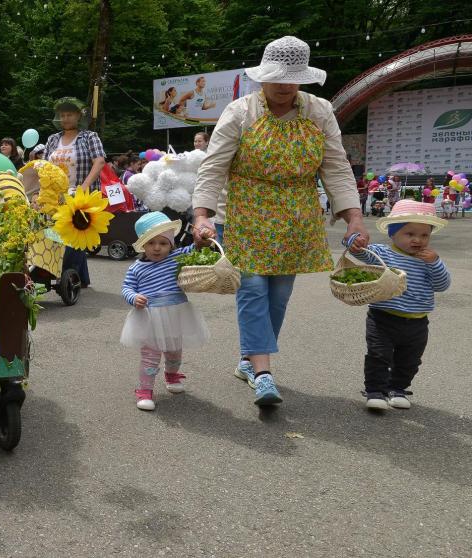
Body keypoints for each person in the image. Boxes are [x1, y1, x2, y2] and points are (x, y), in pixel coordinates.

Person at [192, 36, 367, 406]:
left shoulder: (319, 111)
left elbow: (335, 166)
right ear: (262, 77)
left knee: (280, 295)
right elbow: (214, 166)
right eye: (278, 78)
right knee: (252, 289)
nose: (286, 85)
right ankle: (264, 373)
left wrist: (354, 217)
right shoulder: (240, 111)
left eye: (293, 78)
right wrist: (202, 214)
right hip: (244, 212)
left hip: (296, 216)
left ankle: (248, 359)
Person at [345, 201, 449, 411]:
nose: (417, 240)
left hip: (417, 321)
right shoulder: (384, 253)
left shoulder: (428, 259)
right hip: (383, 316)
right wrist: (354, 242)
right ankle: (375, 391)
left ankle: (398, 389)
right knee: (378, 354)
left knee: (410, 360)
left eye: (424, 235)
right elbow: (362, 254)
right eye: (409, 234)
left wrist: (435, 263)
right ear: (393, 234)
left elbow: (442, 285)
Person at [120, 212, 209, 411]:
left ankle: (171, 376)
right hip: (151, 316)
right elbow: (126, 288)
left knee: (174, 351)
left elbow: (196, 248)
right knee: (150, 356)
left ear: (171, 245)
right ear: (143, 245)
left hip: (176, 313)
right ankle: (144, 390)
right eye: (151, 243)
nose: (157, 248)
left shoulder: (178, 256)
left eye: (163, 243)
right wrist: (134, 298)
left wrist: (202, 240)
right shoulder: (137, 268)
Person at [44, 96, 106, 288]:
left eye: (69, 114)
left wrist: (84, 186)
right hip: (56, 196)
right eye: (62, 115)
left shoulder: (89, 137)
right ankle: (80, 277)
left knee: (75, 235)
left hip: (80, 196)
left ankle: (67, 274)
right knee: (52, 233)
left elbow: (100, 161)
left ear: (78, 116)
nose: (65, 118)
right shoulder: (53, 139)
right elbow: (44, 166)